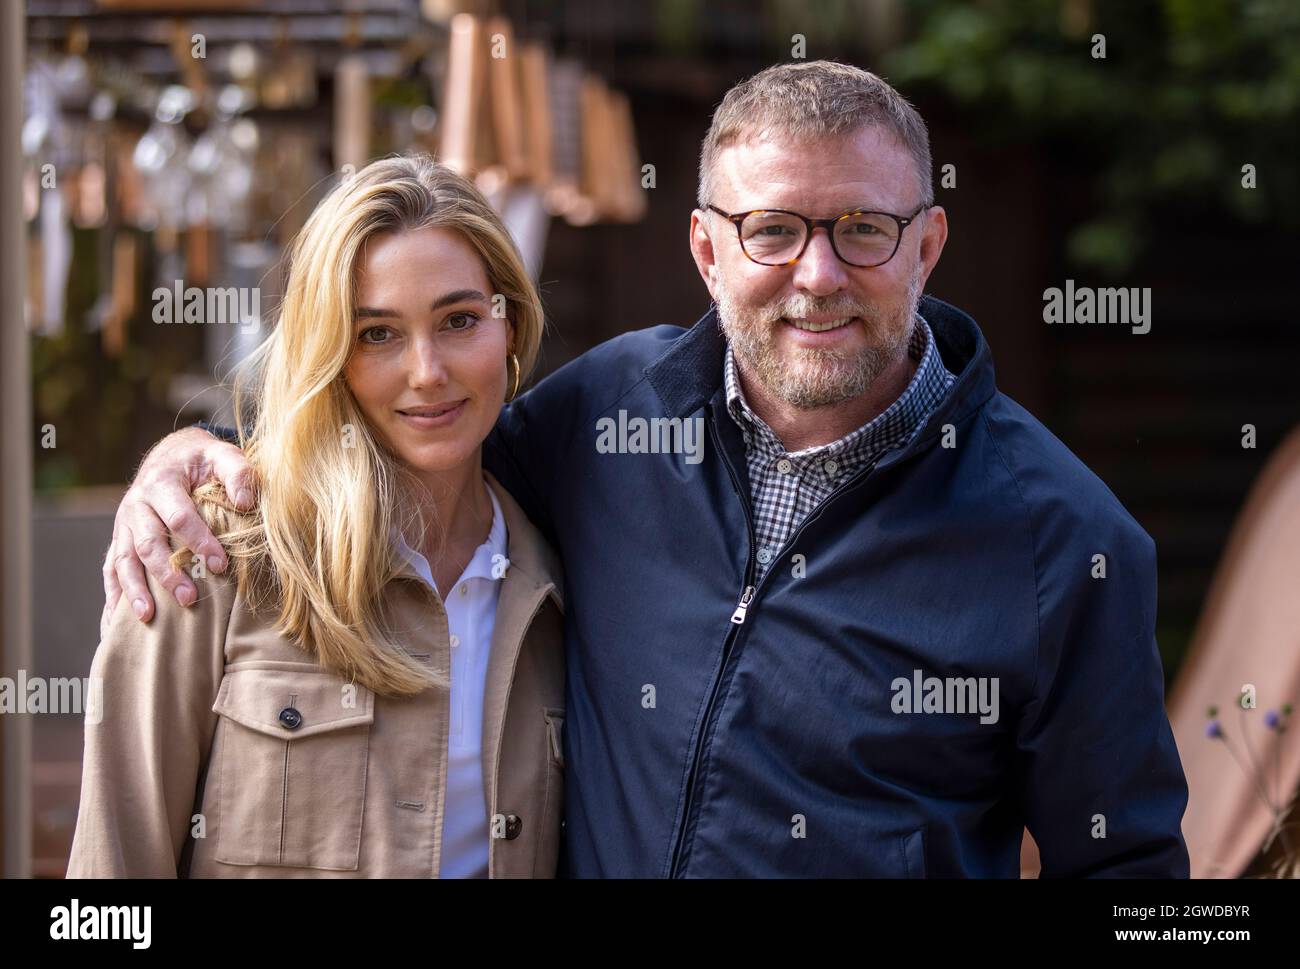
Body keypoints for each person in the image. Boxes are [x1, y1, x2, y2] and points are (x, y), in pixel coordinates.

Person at [102, 62, 1190, 877]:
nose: (815, 276)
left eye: (861, 227)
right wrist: (191, 461)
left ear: (927, 245)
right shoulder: (606, 419)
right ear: (707, 251)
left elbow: (1133, 874)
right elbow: (404, 431)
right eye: (770, 230)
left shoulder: (1062, 540)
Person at [70, 156, 565, 877]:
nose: (427, 370)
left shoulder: (555, 590)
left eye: (459, 320)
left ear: (510, 327)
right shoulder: (210, 554)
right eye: (377, 334)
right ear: (329, 352)